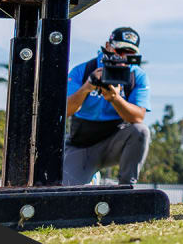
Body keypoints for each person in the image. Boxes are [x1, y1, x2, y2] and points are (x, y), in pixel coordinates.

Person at [64, 27, 151, 186]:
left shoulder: (137, 76)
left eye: (129, 53)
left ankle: (125, 189)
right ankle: (90, 177)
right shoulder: (82, 71)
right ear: (108, 46)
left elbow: (138, 117)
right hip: (82, 144)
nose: (122, 56)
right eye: (119, 49)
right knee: (67, 192)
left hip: (115, 141)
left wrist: (115, 98)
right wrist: (87, 87)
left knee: (141, 131)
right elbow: (66, 111)